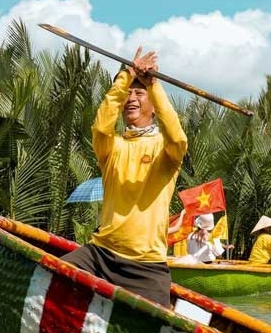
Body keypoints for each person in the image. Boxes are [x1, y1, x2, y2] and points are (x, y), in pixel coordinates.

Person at [59, 47, 188, 307]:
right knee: (50, 277)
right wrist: (126, 76)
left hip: (146, 265)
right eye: (128, 93)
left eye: (139, 93)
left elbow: (177, 135)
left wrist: (153, 84)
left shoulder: (167, 149)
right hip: (100, 254)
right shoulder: (112, 146)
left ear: (152, 104)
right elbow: (101, 125)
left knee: (155, 331)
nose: (131, 98)